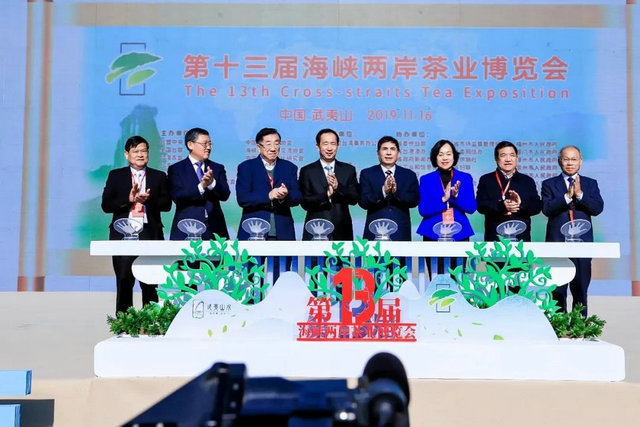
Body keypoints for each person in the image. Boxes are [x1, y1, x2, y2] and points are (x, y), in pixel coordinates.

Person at [101, 135, 172, 313]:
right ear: (127, 154)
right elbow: (106, 206)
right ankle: (124, 323)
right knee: (124, 280)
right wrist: (129, 199)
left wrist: (147, 200)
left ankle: (151, 322)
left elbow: (167, 205)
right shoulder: (116, 176)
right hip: (123, 234)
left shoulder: (159, 176)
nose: (140, 155)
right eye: (136, 151)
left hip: (150, 233)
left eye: (144, 151)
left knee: (150, 283)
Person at [542, 145, 603, 315]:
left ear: (580, 161)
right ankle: (558, 326)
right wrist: (567, 197)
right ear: (559, 161)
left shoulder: (590, 183)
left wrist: (580, 194)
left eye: (574, 159)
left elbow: (597, 208)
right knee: (557, 292)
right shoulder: (549, 184)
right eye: (566, 159)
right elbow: (547, 209)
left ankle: (579, 327)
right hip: (557, 245)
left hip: (582, 246)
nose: (570, 163)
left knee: (580, 291)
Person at [417, 140, 477, 276]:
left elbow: (471, 208)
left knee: (457, 277)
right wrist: (444, 199)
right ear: (435, 157)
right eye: (440, 154)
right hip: (432, 233)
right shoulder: (426, 179)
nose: (445, 158)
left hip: (459, 232)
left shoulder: (465, 178)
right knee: (435, 277)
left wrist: (455, 197)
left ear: (454, 157)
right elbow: (423, 210)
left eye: (448, 154)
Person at [236, 127, 302, 240]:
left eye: (276, 143)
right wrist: (269, 195)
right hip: (254, 231)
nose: (273, 148)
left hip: (282, 232)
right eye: (268, 144)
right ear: (259, 147)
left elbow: (297, 197)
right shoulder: (246, 167)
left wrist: (285, 195)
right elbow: (243, 199)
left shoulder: (289, 167)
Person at [167, 127, 230, 240]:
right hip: (186, 228)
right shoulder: (176, 169)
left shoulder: (217, 168)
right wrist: (201, 186)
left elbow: (225, 194)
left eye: (210, 144)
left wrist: (212, 184)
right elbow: (177, 196)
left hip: (214, 230)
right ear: (190, 145)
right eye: (204, 144)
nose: (208, 147)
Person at [299, 128, 359, 240]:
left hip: (342, 231)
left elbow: (354, 198)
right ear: (318, 146)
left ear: (338, 146)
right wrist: (326, 195)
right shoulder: (307, 171)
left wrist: (338, 187)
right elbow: (304, 202)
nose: (329, 148)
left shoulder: (348, 170)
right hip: (315, 229)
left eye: (333, 144)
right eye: (325, 144)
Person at [476, 141, 542, 241]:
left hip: (521, 238)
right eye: (503, 155)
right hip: (494, 237)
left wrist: (520, 205)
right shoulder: (486, 180)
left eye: (512, 155)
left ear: (517, 158)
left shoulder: (527, 181)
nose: (508, 159)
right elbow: (481, 206)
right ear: (496, 159)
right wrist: (502, 206)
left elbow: (537, 207)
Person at [359, 136, 420, 241]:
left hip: (401, 232)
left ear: (398, 153)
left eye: (392, 149)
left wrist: (396, 192)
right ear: (378, 153)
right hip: (374, 232)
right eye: (384, 149)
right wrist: (383, 191)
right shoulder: (367, 173)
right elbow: (363, 202)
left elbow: (414, 200)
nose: (388, 153)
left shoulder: (409, 175)